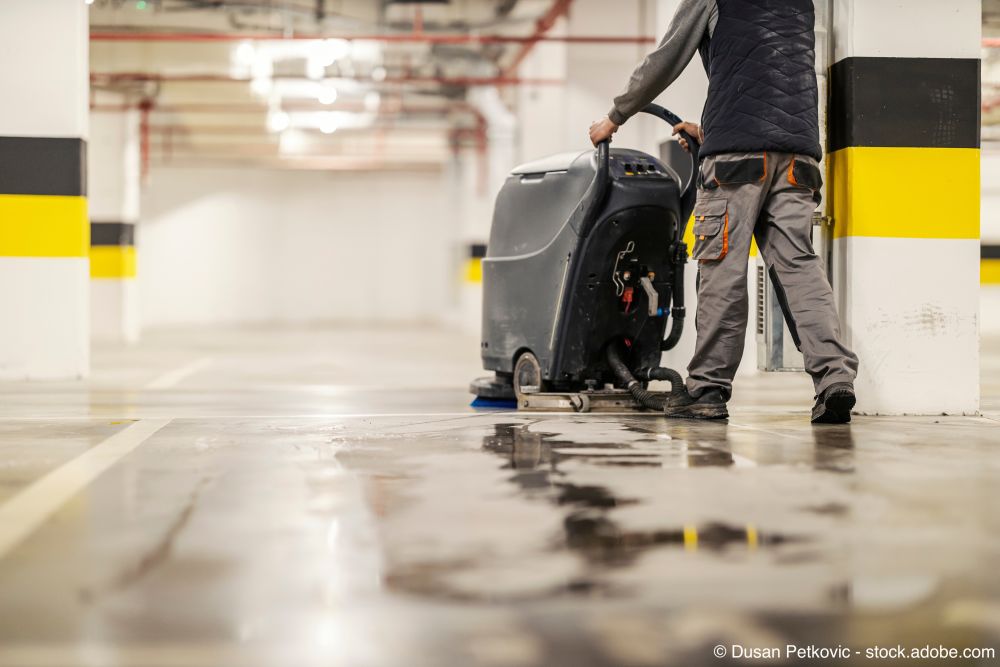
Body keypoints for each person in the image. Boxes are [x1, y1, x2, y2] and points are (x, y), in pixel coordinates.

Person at [588, 0, 859, 424]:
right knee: (800, 268)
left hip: (736, 162)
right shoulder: (801, 5)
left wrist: (614, 116)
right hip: (798, 158)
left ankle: (707, 389)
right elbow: (768, 79)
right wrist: (708, 129)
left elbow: (664, 60)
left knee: (721, 269)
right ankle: (834, 380)